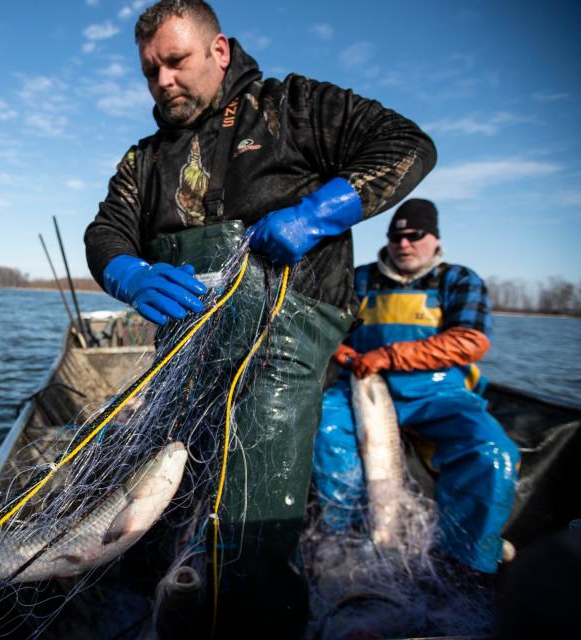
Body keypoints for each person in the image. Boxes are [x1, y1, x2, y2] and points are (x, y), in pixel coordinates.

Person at [83, 1, 436, 635]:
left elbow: (407, 145)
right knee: (170, 505)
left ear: (219, 50)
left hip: (280, 347)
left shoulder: (291, 107)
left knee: (248, 527)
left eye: (175, 61)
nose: (162, 80)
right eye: (148, 71)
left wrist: (321, 212)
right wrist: (128, 274)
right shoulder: (144, 160)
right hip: (185, 355)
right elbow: (106, 231)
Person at [313, 198, 520, 576]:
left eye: (414, 236)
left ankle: (465, 560)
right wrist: (341, 351)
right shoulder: (357, 278)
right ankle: (345, 534)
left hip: (438, 394)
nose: (403, 244)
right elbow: (325, 328)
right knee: (323, 430)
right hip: (361, 387)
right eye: (396, 236)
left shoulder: (458, 279)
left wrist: (390, 356)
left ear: (435, 238)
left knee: (492, 452)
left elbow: (470, 341)